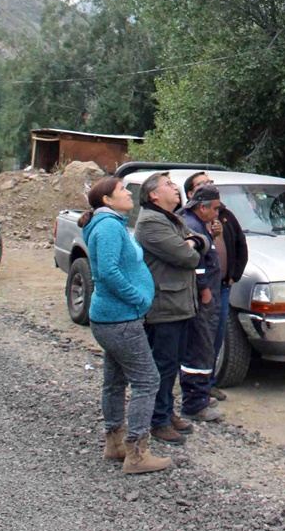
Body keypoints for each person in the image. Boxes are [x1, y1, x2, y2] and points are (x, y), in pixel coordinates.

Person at [79, 177, 172, 474]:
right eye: (121, 190)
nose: (128, 193)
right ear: (106, 200)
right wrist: (138, 299)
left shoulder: (111, 224)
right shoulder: (107, 227)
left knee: (115, 380)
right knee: (148, 381)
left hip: (111, 318)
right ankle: (136, 453)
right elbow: (106, 272)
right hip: (120, 318)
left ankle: (115, 442)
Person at [134, 172, 210, 444]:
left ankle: (166, 410)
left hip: (179, 304)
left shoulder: (172, 217)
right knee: (163, 365)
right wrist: (192, 244)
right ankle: (158, 419)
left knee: (173, 362)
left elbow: (203, 240)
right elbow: (187, 256)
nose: (175, 189)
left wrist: (193, 242)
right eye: (168, 185)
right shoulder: (151, 222)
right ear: (154, 195)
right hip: (164, 306)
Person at [183, 172, 248, 401]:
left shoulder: (226, 216)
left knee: (216, 336)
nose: (210, 185)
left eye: (211, 182)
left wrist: (233, 275)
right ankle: (195, 391)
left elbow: (240, 245)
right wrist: (203, 287)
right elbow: (196, 260)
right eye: (203, 184)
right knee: (201, 338)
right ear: (193, 196)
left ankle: (207, 384)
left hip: (221, 286)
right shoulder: (187, 222)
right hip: (202, 290)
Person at [177, 184, 224, 421]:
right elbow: (195, 263)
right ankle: (195, 404)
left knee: (202, 346)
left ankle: (201, 395)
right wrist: (204, 289)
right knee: (200, 347)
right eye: (214, 209)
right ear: (202, 206)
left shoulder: (200, 225)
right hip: (202, 299)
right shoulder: (192, 226)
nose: (216, 214)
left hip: (208, 296)